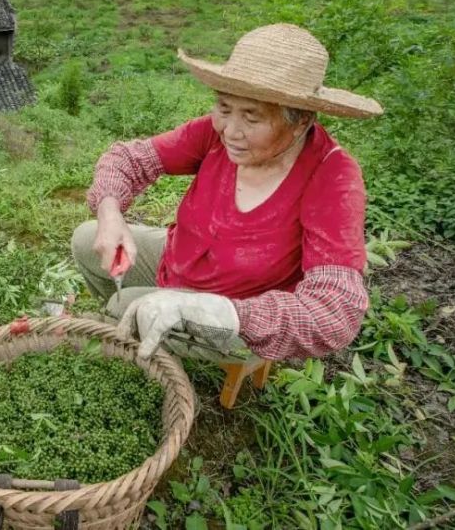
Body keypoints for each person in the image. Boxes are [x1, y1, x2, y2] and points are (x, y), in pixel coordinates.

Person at [73, 23, 384, 362]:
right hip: (180, 262)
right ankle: (149, 339)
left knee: (124, 305)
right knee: (87, 238)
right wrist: (109, 214)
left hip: (239, 315)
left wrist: (226, 313)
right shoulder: (212, 134)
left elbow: (334, 311)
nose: (231, 131)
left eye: (252, 118)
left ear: (301, 121)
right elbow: (129, 159)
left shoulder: (332, 176)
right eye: (224, 109)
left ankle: (149, 344)